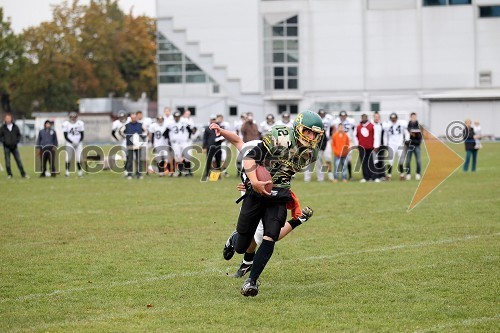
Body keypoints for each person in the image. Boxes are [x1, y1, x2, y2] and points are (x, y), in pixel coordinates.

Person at [225, 110, 324, 297]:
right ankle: (234, 239)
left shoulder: (311, 153)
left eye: (315, 134)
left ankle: (251, 282)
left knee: (271, 235)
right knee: (242, 246)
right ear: (297, 128)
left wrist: (290, 196)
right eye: (307, 131)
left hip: (278, 194)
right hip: (256, 190)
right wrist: (252, 182)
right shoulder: (281, 137)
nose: (311, 137)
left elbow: (286, 172)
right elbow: (249, 158)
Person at [209, 122, 315, 278]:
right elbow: (237, 140)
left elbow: (280, 180)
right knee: (250, 235)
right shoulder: (252, 151)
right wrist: (221, 130)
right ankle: (237, 241)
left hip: (269, 194)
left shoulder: (276, 157)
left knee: (264, 236)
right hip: (250, 195)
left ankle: (247, 262)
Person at [304, 109, 334, 182]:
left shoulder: (321, 130)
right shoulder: (309, 130)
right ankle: (307, 178)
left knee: (319, 164)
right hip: (310, 148)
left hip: (318, 149)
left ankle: (320, 178)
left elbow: (324, 140)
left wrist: (321, 148)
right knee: (308, 164)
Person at [0, 114, 29, 179]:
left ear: (11, 119)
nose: (8, 120)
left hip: (14, 147)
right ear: (5, 119)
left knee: (19, 161)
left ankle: (23, 174)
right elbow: (0, 136)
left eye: (9, 118)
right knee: (7, 161)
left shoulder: (15, 127)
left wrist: (16, 141)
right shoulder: (3, 128)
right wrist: (4, 141)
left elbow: (19, 135)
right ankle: (9, 174)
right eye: (7, 118)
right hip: (6, 147)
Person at [165, 111, 193, 177]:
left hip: (184, 142)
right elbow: (165, 133)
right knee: (177, 158)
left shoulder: (184, 122)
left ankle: (188, 171)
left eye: (178, 117)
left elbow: (190, 130)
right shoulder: (170, 124)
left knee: (187, 156)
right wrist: (169, 142)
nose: (177, 118)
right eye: (175, 117)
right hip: (175, 143)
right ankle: (180, 171)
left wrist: (188, 138)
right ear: (174, 117)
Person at [120, 112, 147, 179]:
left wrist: (142, 138)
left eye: (135, 118)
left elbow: (146, 132)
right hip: (130, 145)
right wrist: (125, 137)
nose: (134, 119)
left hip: (138, 145)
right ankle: (129, 174)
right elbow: (120, 131)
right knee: (130, 160)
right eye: (132, 118)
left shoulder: (140, 125)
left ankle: (139, 174)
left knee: (138, 160)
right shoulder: (127, 125)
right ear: (130, 118)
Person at [383, 113, 409, 181]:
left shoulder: (401, 124)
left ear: (397, 118)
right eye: (392, 119)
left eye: (394, 118)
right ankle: (389, 175)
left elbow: (406, 132)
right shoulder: (387, 125)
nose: (393, 120)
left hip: (400, 144)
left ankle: (402, 174)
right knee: (390, 160)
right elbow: (385, 135)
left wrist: (407, 139)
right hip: (391, 144)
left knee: (401, 160)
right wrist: (385, 144)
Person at [332, 111, 356, 180]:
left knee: (347, 162)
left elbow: (354, 131)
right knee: (337, 165)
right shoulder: (335, 124)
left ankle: (347, 176)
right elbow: (333, 143)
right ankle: (336, 177)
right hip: (338, 150)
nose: (343, 117)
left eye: (344, 115)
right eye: (342, 116)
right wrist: (335, 151)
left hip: (347, 144)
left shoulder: (350, 122)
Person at [355, 114, 379, 182]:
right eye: (363, 118)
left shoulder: (372, 126)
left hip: (370, 147)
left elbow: (375, 136)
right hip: (362, 147)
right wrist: (357, 145)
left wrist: (376, 145)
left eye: (365, 117)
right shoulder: (358, 127)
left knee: (371, 162)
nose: (364, 119)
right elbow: (355, 136)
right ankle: (366, 177)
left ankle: (374, 177)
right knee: (363, 162)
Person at [62, 112, 85, 177]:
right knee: (68, 157)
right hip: (70, 143)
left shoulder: (80, 123)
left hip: (78, 143)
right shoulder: (66, 124)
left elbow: (82, 135)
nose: (73, 118)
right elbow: (65, 136)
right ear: (69, 117)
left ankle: (80, 172)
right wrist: (71, 142)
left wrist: (79, 141)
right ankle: (67, 172)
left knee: (79, 158)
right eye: (72, 117)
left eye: (74, 117)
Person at [202, 114, 223, 181]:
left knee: (218, 161)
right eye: (212, 119)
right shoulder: (207, 128)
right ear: (210, 120)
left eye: (214, 119)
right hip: (210, 146)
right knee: (209, 161)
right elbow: (205, 138)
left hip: (218, 146)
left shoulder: (219, 127)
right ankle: (207, 174)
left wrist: (222, 139)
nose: (213, 121)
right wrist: (204, 147)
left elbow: (223, 135)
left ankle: (218, 176)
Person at [405, 112, 422, 180]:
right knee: (408, 161)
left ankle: (418, 173)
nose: (414, 118)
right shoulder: (407, 127)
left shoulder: (419, 126)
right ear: (410, 117)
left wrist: (415, 141)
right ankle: (408, 174)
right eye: (412, 117)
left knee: (418, 161)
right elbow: (405, 137)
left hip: (417, 146)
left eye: (415, 117)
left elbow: (420, 138)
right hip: (409, 146)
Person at [372, 112, 386, 181]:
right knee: (375, 161)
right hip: (374, 146)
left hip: (381, 145)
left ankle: (382, 175)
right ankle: (375, 175)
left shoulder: (381, 125)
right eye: (375, 117)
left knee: (381, 160)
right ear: (373, 117)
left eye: (378, 117)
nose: (376, 118)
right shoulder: (372, 126)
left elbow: (384, 135)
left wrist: (383, 144)